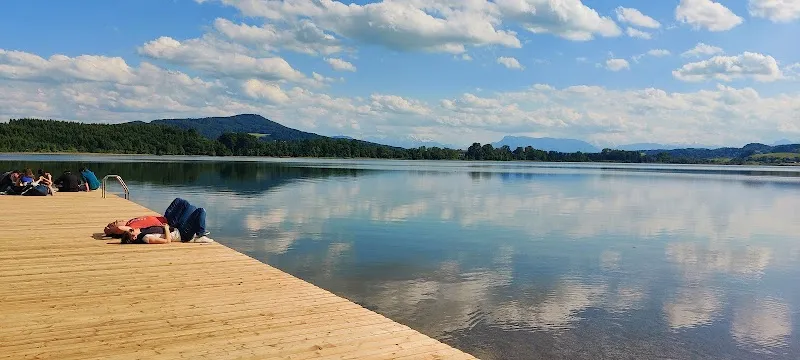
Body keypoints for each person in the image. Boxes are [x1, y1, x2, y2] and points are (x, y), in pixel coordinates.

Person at [104, 215, 168, 237]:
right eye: (115, 223)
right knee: (178, 201)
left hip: (164, 217)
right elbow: (119, 228)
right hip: (168, 222)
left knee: (177, 201)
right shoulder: (131, 228)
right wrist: (110, 231)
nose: (117, 220)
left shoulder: (130, 221)